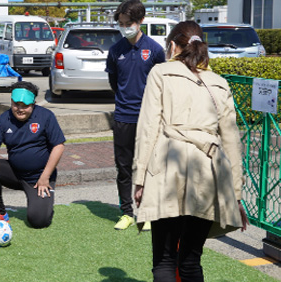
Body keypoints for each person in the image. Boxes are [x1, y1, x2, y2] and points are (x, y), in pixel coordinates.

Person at [132, 21, 249, 281]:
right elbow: (231, 141)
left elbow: (148, 127)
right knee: (190, 260)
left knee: (164, 260)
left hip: (166, 168)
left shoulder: (160, 72)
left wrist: (140, 179)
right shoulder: (219, 82)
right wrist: (237, 193)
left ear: (172, 45)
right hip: (208, 170)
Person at [105, 0, 165, 230]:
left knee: (149, 167)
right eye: (121, 23)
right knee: (124, 167)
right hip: (123, 117)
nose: (124, 27)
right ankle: (127, 212)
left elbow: (162, 82)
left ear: (140, 21)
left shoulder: (155, 50)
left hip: (149, 119)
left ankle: (148, 213)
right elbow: (113, 82)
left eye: (128, 23)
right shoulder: (115, 50)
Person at [0, 81, 65, 229]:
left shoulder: (46, 116)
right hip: (15, 174)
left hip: (40, 179)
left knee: (39, 221)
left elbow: (58, 146)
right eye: (16, 104)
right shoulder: (4, 119)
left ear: (34, 103)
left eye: (25, 106)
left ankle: (42, 204)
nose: (20, 109)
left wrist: (45, 177)